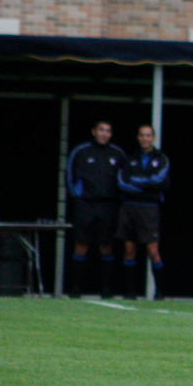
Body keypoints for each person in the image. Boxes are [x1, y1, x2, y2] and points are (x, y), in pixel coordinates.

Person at [66, 120, 126, 299]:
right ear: (93, 131)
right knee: (81, 245)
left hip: (107, 207)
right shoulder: (81, 151)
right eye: (101, 130)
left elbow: (124, 179)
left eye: (108, 131)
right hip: (85, 206)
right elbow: (69, 175)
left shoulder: (117, 153)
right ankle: (75, 289)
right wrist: (77, 195)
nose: (104, 134)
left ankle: (106, 290)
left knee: (106, 246)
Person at [117, 125, 171, 300]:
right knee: (129, 249)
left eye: (148, 135)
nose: (145, 138)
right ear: (138, 137)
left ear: (153, 138)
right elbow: (122, 183)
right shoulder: (129, 158)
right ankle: (130, 292)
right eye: (142, 135)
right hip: (129, 208)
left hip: (149, 209)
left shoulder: (161, 158)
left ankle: (160, 292)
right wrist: (146, 186)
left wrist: (136, 183)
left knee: (152, 250)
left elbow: (159, 181)